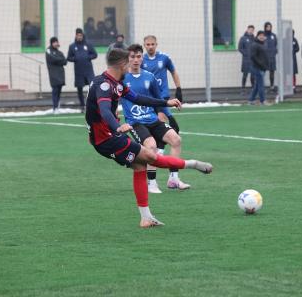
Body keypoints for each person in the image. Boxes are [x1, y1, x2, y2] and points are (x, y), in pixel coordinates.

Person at [85, 48, 213, 228]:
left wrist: (164, 103)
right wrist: (117, 126)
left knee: (140, 165)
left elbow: (138, 98)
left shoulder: (115, 83)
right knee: (151, 157)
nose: (130, 67)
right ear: (122, 65)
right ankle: (192, 164)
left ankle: (146, 218)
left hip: (106, 137)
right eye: (128, 64)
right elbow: (104, 110)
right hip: (108, 139)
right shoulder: (105, 85)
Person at [122, 44, 190, 193]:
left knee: (176, 139)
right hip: (135, 122)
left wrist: (165, 114)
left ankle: (173, 178)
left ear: (142, 58)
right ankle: (151, 183)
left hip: (152, 119)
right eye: (132, 56)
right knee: (151, 147)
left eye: (138, 56)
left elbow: (158, 99)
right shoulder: (122, 79)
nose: (135, 60)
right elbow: (114, 99)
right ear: (127, 58)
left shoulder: (149, 76)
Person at [142, 35, 184, 192]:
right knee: (170, 132)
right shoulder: (142, 61)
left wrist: (179, 89)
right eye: (148, 44)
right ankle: (161, 175)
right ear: (144, 45)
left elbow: (174, 72)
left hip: (164, 99)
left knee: (175, 131)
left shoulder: (164, 58)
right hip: (152, 101)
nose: (150, 46)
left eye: (153, 44)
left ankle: (170, 175)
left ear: (156, 44)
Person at [67, 28, 98, 111]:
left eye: (80, 35)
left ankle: (92, 104)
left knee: (92, 87)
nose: (79, 37)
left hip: (88, 70)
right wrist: (76, 58)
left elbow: (95, 54)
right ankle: (82, 105)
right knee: (79, 88)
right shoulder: (72, 46)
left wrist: (88, 57)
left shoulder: (88, 45)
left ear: (83, 36)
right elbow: (69, 58)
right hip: (78, 71)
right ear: (76, 36)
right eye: (78, 35)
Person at [45, 37, 67, 113]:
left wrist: (58, 60)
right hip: (53, 74)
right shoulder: (48, 51)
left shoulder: (60, 52)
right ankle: (55, 107)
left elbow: (65, 61)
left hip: (61, 74)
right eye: (54, 42)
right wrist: (59, 60)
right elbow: (53, 59)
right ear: (52, 43)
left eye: (56, 42)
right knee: (55, 91)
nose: (56, 43)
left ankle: (57, 106)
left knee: (59, 91)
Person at [248, 31, 269, 105]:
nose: (262, 36)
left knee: (257, 85)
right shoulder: (255, 45)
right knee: (261, 85)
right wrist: (261, 64)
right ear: (257, 36)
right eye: (260, 35)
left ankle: (251, 100)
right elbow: (253, 56)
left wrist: (266, 65)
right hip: (257, 68)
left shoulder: (264, 44)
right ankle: (262, 100)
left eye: (263, 35)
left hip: (263, 68)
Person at [238, 25, 255, 94]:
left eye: (252, 30)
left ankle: (253, 88)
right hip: (246, 60)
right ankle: (243, 89)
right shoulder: (243, 38)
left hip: (253, 60)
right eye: (250, 29)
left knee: (253, 75)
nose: (251, 31)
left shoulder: (254, 38)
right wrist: (246, 54)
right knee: (245, 74)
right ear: (247, 29)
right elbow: (240, 48)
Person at [264, 22, 277, 92]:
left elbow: (276, 45)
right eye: (267, 27)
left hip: (272, 57)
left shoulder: (273, 36)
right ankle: (262, 87)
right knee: (262, 72)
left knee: (272, 72)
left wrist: (275, 51)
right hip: (264, 57)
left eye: (270, 27)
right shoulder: (263, 35)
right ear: (265, 27)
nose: (269, 28)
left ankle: (272, 86)